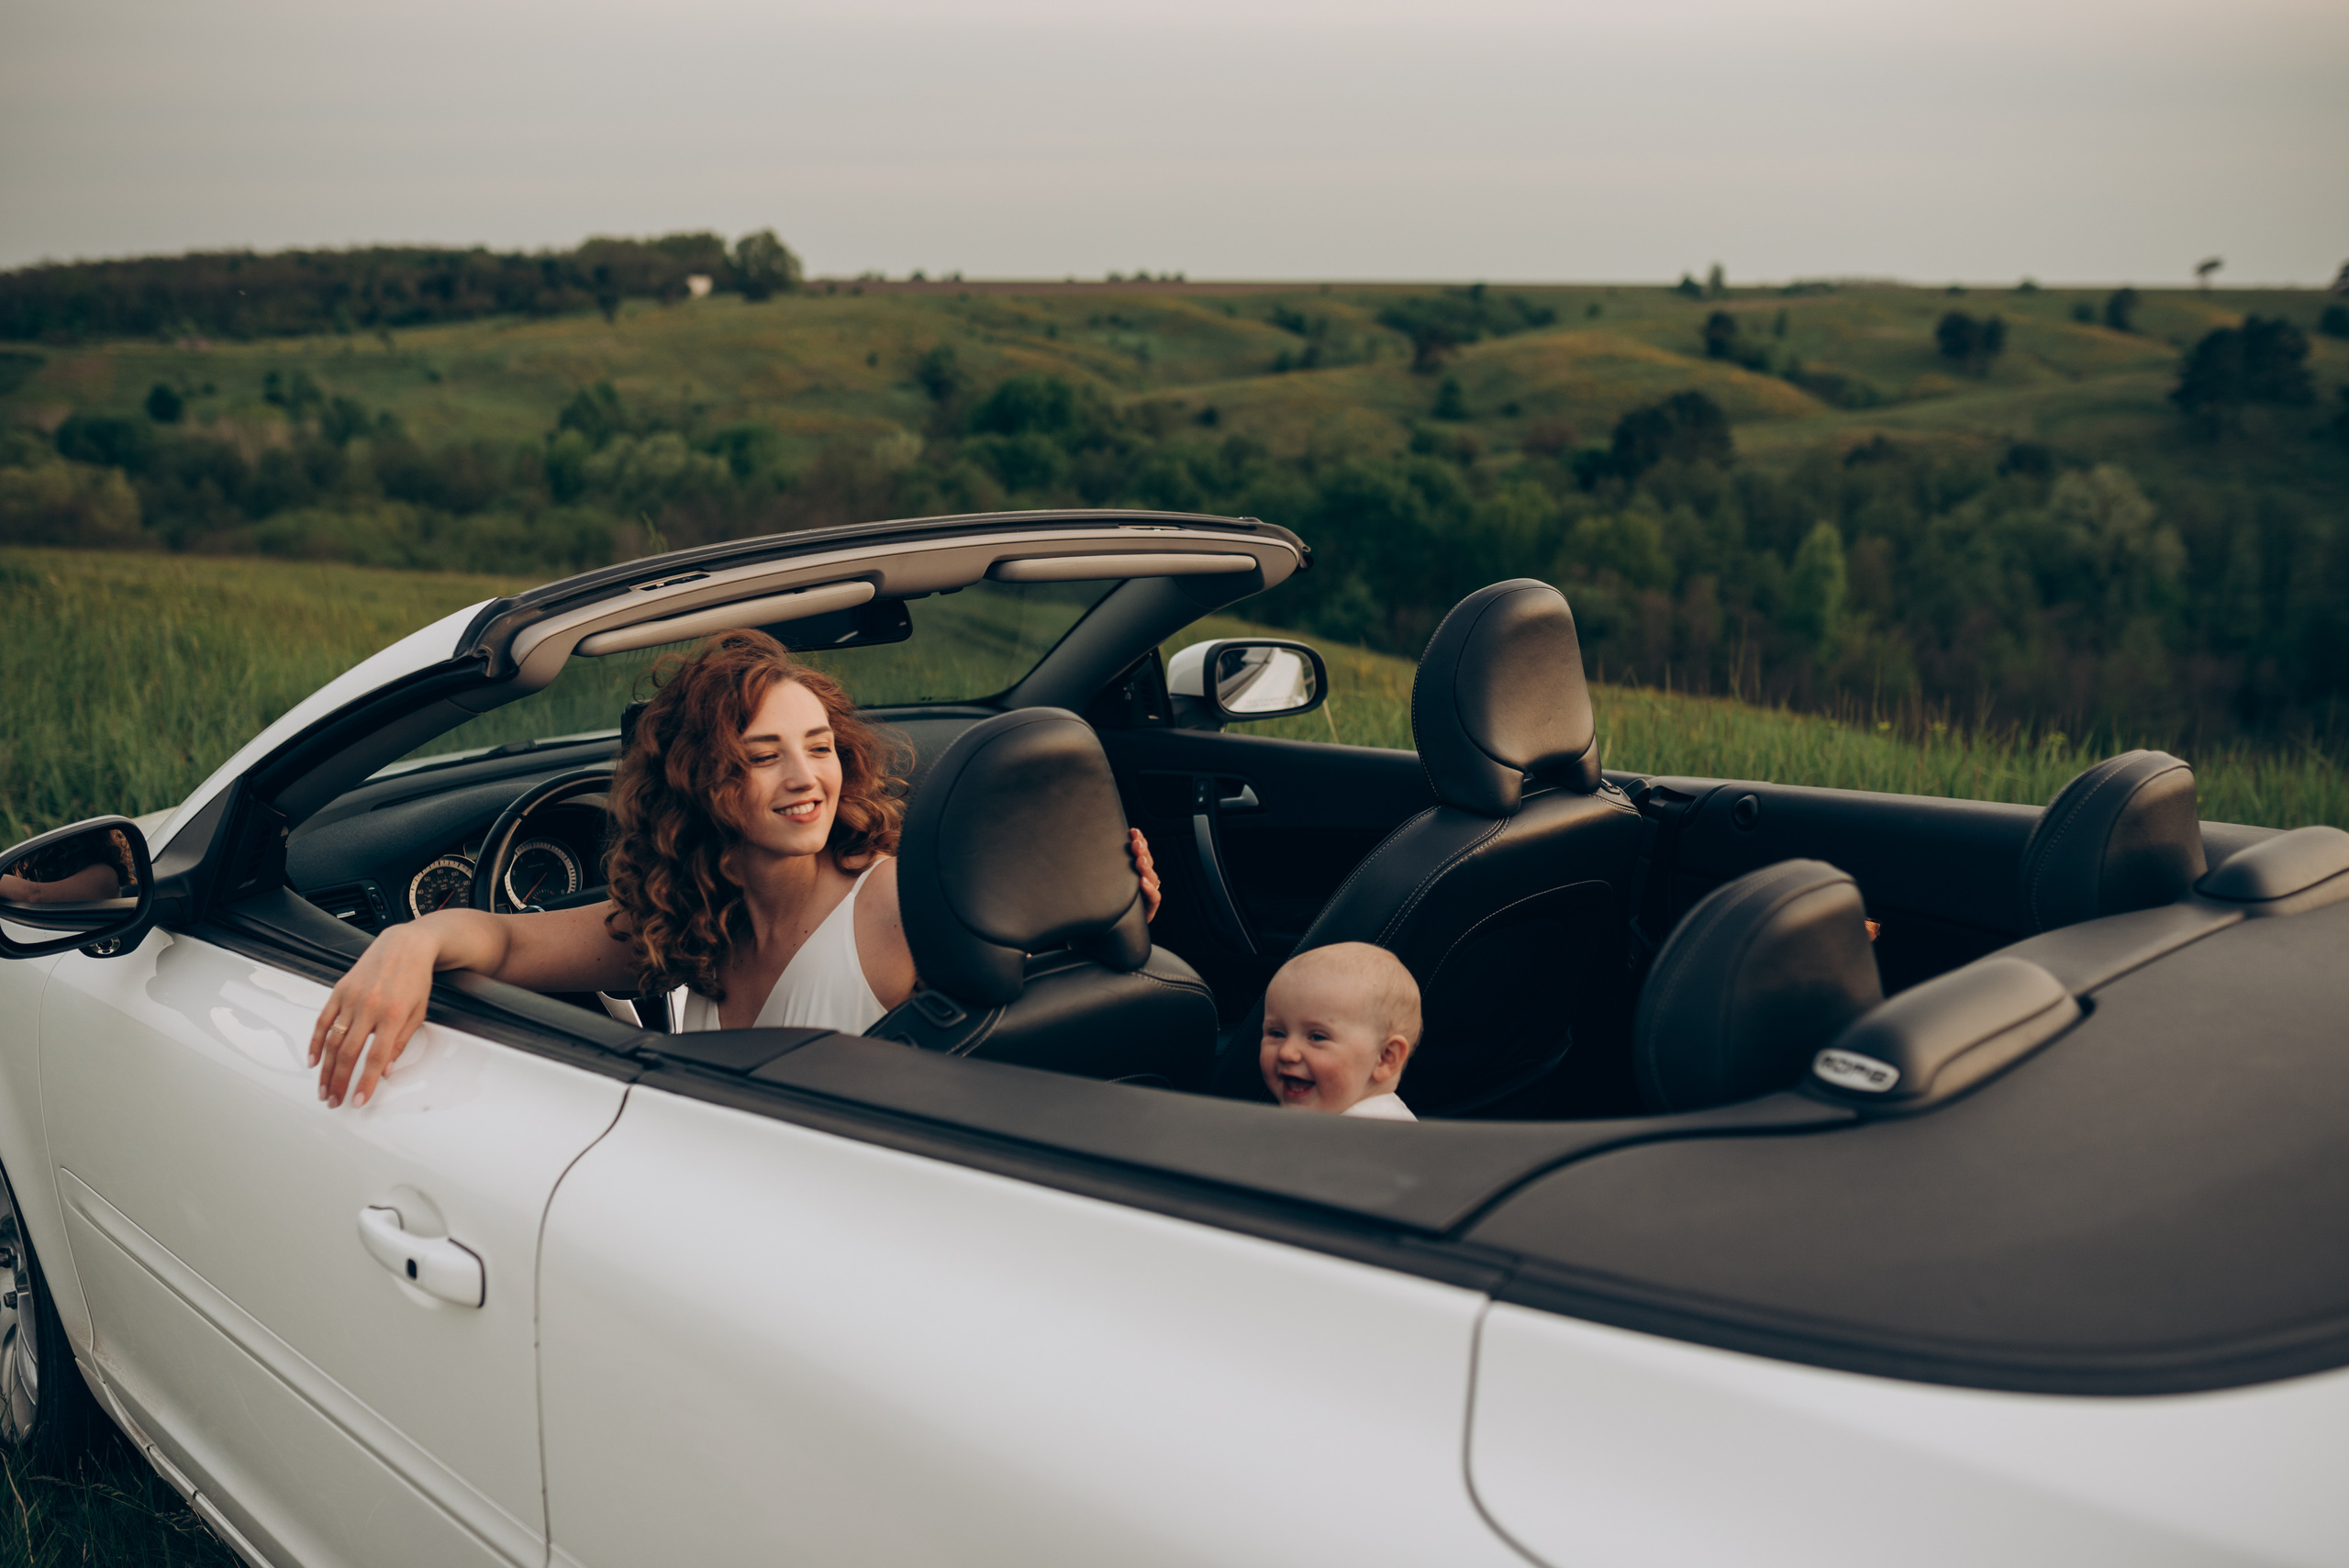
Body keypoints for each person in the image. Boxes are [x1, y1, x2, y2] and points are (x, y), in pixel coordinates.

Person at [309, 629, 1162, 1109]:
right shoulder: (685, 922)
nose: (806, 778)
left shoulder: (893, 899)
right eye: (764, 756)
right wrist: (406, 943)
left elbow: (1029, 952)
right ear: (706, 784)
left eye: (820, 748)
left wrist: (1103, 894)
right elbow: (499, 938)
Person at [1257, 941, 1419, 1120]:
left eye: (1317, 1037)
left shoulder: (1363, 1139)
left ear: (1385, 1057)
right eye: (1277, 1034)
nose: (1287, 1052)